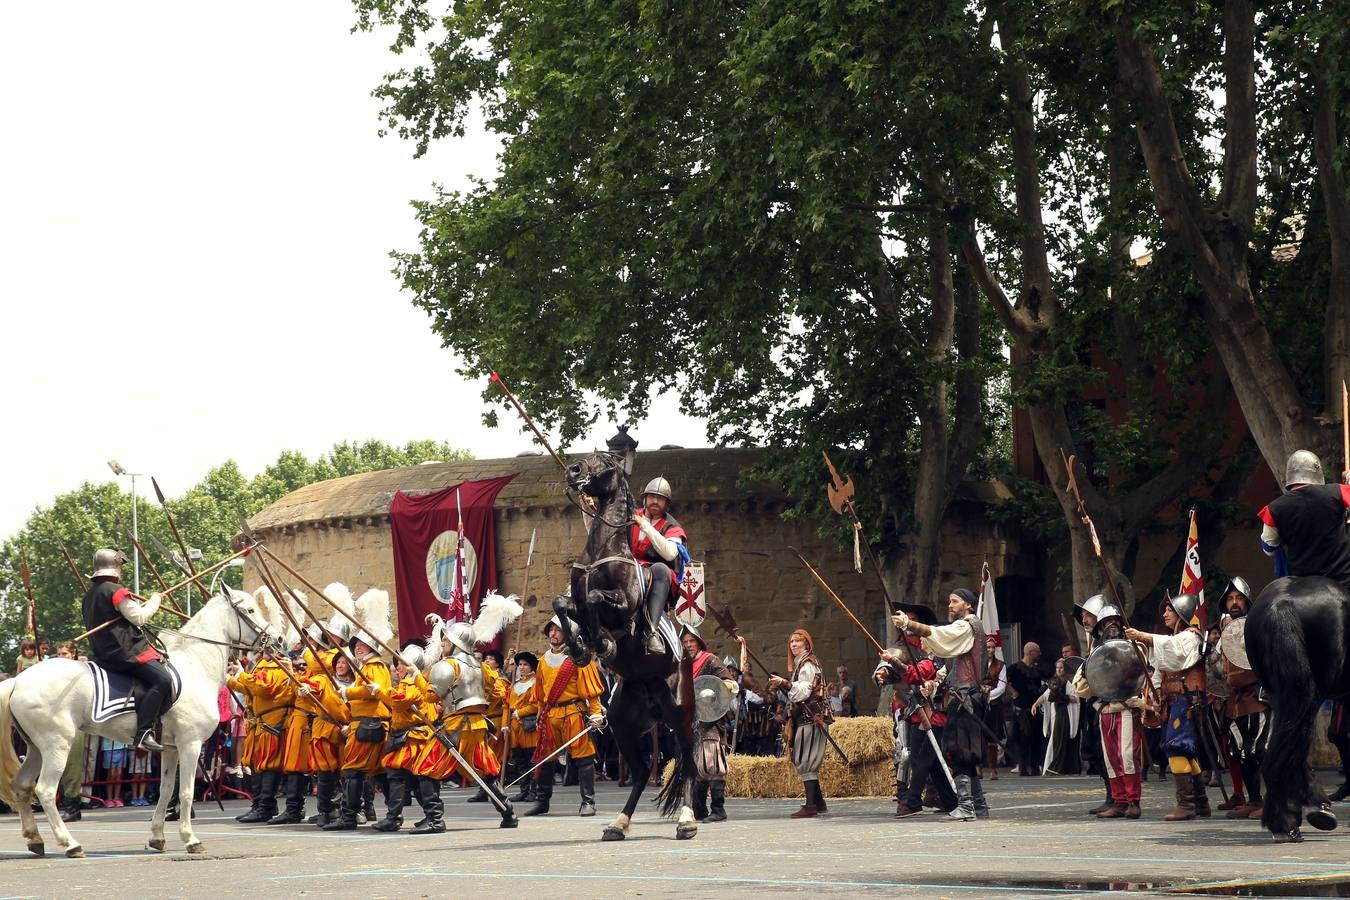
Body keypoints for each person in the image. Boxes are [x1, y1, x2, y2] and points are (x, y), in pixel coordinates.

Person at [887, 588, 990, 821]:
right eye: (949, 601)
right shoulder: (963, 635)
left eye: (955, 601)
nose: (950, 605)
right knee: (965, 754)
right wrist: (933, 685)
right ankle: (978, 805)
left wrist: (910, 625)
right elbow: (949, 667)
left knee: (962, 754)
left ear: (969, 605)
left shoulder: (968, 625)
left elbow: (943, 635)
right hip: (961, 697)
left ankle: (966, 806)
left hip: (966, 698)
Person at [1126, 593, 1211, 821]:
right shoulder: (1171, 640)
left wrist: (1144, 636)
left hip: (1187, 700)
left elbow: (1174, 650)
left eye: (1169, 610)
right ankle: (1200, 801)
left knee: (1177, 747)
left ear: (1181, 614)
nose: (1164, 614)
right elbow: (1160, 667)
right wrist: (1154, 697)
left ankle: (1187, 805)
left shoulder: (1191, 637)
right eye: (1164, 610)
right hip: (1173, 701)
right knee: (1183, 749)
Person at [80, 549, 171, 751]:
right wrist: (155, 599)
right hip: (126, 652)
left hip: (103, 654)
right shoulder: (116, 590)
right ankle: (144, 731)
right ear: (115, 568)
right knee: (163, 680)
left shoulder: (88, 596)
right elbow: (139, 618)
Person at [875, 602, 957, 819]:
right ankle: (913, 798)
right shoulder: (900, 647)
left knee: (926, 756)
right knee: (909, 754)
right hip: (908, 706)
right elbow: (890, 667)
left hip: (932, 710)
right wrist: (884, 670)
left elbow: (921, 673)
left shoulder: (932, 652)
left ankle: (927, 798)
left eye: (913, 620)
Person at [525, 616, 606, 816]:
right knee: (546, 758)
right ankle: (542, 802)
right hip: (550, 714)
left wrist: (595, 712)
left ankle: (588, 802)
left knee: (583, 757)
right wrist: (539, 715)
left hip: (573, 712)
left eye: (558, 630)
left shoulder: (580, 657)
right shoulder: (543, 660)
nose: (553, 633)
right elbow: (541, 694)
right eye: (551, 630)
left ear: (569, 633)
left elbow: (591, 690)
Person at [1073, 602, 1146, 819]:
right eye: (1106, 623)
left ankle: (1133, 801)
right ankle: (1120, 801)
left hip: (1126, 708)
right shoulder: (1096, 655)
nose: (1111, 626)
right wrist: (1090, 669)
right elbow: (1082, 687)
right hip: (1106, 709)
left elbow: (1144, 676)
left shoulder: (1136, 647)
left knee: (1127, 756)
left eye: (1115, 621)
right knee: (1111, 758)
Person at [323, 631, 392, 830]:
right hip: (364, 723)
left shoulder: (375, 665)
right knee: (379, 772)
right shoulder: (366, 666)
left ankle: (349, 817)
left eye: (363, 644)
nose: (358, 647)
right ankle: (392, 814)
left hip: (369, 723)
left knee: (354, 771)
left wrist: (348, 691)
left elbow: (373, 689)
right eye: (356, 645)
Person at [1258, 449, 1350, 587]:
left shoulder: (1274, 508)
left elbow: (1268, 548)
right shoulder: (1338, 492)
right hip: (1342, 580)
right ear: (1317, 471)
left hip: (1300, 583)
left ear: (1290, 475)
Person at [1216, 577, 1268, 820]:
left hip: (1257, 697)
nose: (1234, 602)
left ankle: (1274, 801)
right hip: (1235, 702)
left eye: (1238, 598)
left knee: (1259, 750)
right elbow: (1217, 669)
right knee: (1241, 754)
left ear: (1247, 601)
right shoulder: (1223, 631)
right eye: (1230, 598)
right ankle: (1254, 800)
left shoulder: (1259, 626)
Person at [765, 628, 829, 819]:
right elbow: (797, 695)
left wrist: (784, 683)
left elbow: (803, 691)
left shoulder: (807, 664)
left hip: (812, 718)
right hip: (804, 717)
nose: (793, 644)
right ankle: (819, 802)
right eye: (791, 641)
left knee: (806, 760)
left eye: (798, 641)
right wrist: (784, 686)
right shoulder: (802, 664)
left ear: (806, 644)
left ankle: (811, 806)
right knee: (802, 758)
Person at [681, 623, 739, 823]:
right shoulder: (682, 664)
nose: (688, 645)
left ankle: (718, 809)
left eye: (691, 641)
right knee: (697, 767)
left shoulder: (710, 660)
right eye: (685, 642)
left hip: (711, 721)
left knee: (712, 764)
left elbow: (731, 684)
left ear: (699, 643)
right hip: (692, 723)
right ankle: (699, 809)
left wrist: (715, 691)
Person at [629, 476, 689, 653]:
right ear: (645, 498)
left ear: (666, 503)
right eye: (652, 496)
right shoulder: (629, 516)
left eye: (660, 498)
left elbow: (670, 552)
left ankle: (651, 632)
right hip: (627, 568)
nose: (655, 501)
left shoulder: (673, 527)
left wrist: (645, 526)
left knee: (661, 569)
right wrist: (589, 509)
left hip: (654, 578)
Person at [56, 641, 87, 821]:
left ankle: (72, 806)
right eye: (59, 654)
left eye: (65, 654)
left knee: (72, 764)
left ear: (73, 655)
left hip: (75, 722)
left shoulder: (79, 669)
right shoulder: (53, 671)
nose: (61, 657)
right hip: (55, 722)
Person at [1006, 642, 1044, 776]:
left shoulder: (1036, 671)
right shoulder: (1014, 668)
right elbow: (1005, 683)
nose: (1039, 654)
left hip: (1034, 708)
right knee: (1022, 739)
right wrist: (1013, 693)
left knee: (1036, 739)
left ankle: (1034, 767)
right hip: (1020, 709)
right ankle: (1022, 767)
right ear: (1030, 652)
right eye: (1037, 652)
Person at [507, 652, 540, 803]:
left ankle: (534, 791)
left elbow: (535, 705)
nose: (522, 667)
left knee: (531, 760)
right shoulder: (514, 685)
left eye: (525, 664)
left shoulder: (535, 683)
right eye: (520, 664)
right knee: (519, 761)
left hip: (528, 726)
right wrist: (504, 725)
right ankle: (524, 790)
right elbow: (506, 706)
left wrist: (520, 712)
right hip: (514, 728)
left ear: (531, 666)